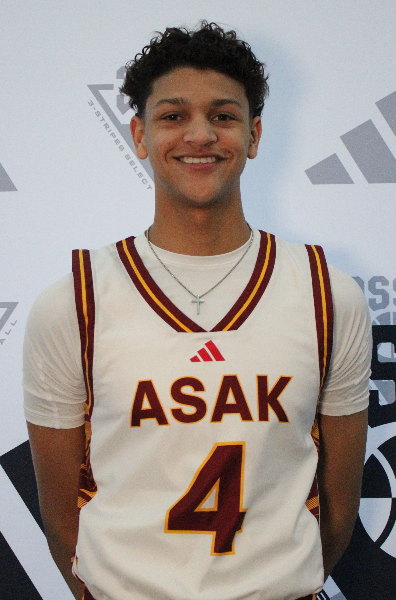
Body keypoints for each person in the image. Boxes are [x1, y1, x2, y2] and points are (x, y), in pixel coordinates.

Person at [24, 21, 372, 600]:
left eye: (223, 115)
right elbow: (62, 520)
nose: (200, 134)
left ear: (253, 135)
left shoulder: (326, 295)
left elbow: (338, 508)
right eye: (173, 115)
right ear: (139, 134)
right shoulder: (74, 303)